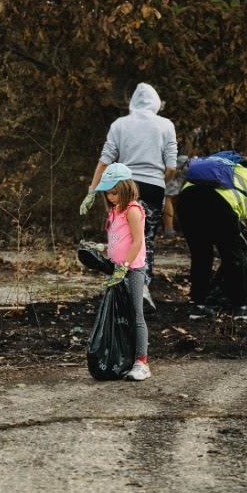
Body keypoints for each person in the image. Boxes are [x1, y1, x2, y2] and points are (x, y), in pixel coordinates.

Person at [80, 83, 177, 311]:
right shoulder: (166, 125)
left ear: (133, 101)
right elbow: (171, 167)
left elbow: (105, 160)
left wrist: (92, 191)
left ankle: (120, 285)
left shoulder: (120, 125)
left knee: (119, 236)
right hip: (154, 187)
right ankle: (142, 287)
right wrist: (157, 179)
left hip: (124, 186)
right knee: (145, 239)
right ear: (155, 102)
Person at [177, 154, 247, 321]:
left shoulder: (232, 166)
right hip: (218, 205)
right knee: (233, 256)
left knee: (201, 254)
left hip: (186, 199)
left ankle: (198, 306)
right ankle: (241, 307)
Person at [94, 163, 150, 381]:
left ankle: (142, 362)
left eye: (114, 192)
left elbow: (137, 242)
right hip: (117, 269)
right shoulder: (115, 211)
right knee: (121, 314)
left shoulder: (133, 210)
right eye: (108, 193)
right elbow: (117, 240)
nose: (110, 197)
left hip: (132, 270)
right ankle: (124, 356)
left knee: (136, 314)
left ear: (126, 188)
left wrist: (125, 266)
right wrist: (103, 250)